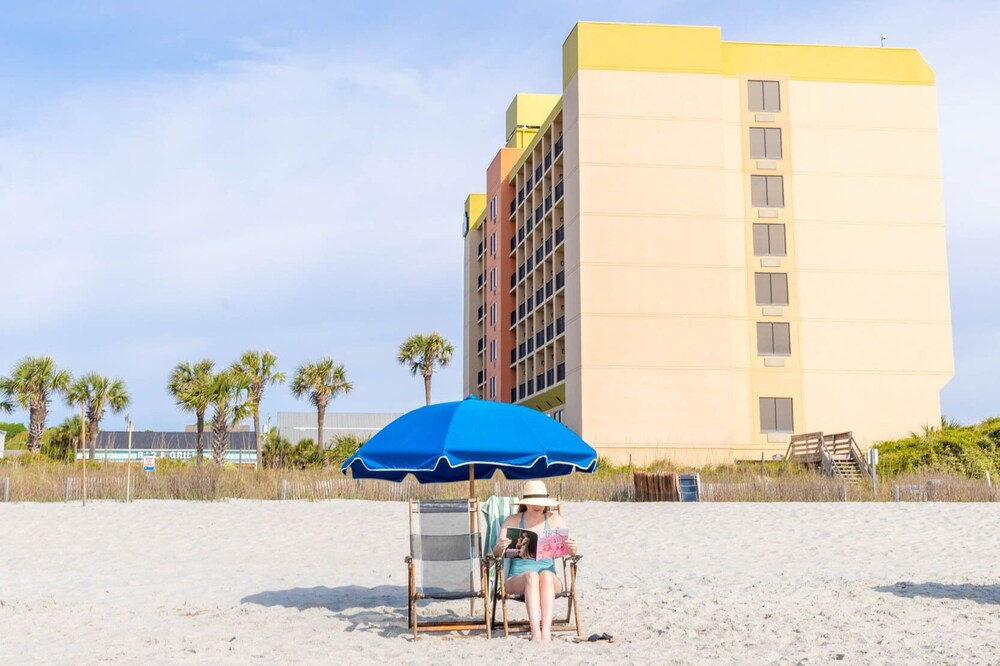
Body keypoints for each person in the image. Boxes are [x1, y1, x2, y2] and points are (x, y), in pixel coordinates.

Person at [492, 480, 578, 642]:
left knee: (545, 574)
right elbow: (496, 554)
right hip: (518, 578)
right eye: (533, 503)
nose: (537, 506)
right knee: (532, 575)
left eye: (540, 503)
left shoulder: (555, 520)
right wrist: (500, 546)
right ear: (525, 503)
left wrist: (573, 547)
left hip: (550, 579)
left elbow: (571, 554)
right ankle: (535, 632)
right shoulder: (512, 521)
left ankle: (545, 631)